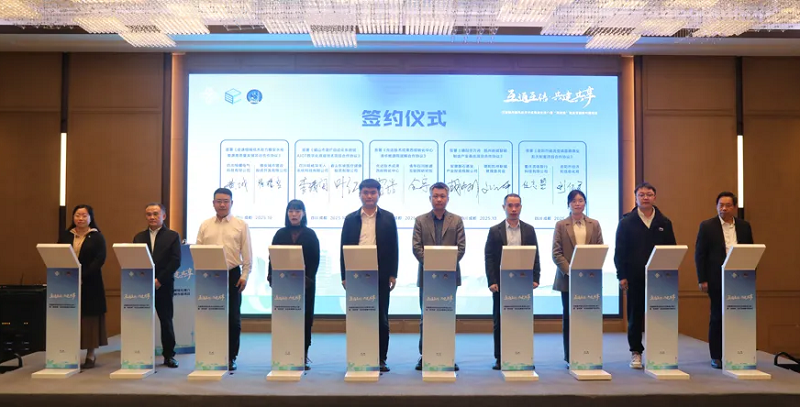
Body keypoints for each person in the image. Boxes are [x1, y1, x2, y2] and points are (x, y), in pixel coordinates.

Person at [614, 182, 676, 369]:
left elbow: (671, 250)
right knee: (635, 315)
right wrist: (622, 276)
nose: (645, 197)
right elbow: (620, 252)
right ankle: (636, 352)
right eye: (641, 195)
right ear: (636, 198)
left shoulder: (664, 222)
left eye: (649, 194)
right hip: (635, 277)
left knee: (660, 315)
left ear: (654, 197)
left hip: (660, 278)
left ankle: (660, 352)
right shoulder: (626, 222)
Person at [339, 179, 398, 373]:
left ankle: (381, 358)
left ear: (379, 194)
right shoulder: (350, 219)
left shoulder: (388, 218)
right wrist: (344, 275)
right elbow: (343, 247)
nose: (369, 196)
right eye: (365, 192)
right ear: (360, 194)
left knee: (381, 318)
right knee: (358, 316)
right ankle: (358, 355)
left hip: (381, 274)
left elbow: (394, 247)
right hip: (356, 274)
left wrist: (393, 274)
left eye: (373, 192)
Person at [195, 187, 252, 371]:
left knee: (233, 318)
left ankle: (231, 356)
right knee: (210, 317)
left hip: (233, 274)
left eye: (226, 201)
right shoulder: (205, 225)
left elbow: (247, 253)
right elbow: (197, 251)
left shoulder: (240, 225)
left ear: (231, 203)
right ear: (213, 203)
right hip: (209, 276)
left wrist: (245, 275)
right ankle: (211, 354)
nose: (222, 205)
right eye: (218, 201)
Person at [695, 191, 753, 369]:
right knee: (717, 316)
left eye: (728, 205)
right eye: (721, 205)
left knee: (739, 316)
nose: (724, 208)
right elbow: (700, 254)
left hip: (740, 278)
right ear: (716, 206)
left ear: (734, 207)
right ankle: (716, 356)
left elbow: (750, 250)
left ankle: (737, 353)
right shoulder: (707, 226)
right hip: (716, 278)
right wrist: (702, 279)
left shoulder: (744, 226)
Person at [412, 182, 466, 371]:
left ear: (447, 198)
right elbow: (416, 247)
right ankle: (425, 356)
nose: (439, 199)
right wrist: (433, 266)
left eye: (442, 196)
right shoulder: (420, 220)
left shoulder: (456, 221)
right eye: (435, 196)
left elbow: (461, 248)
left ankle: (447, 354)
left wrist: (445, 267)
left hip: (449, 277)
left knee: (446, 316)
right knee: (426, 316)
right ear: (430, 198)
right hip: (427, 277)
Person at [484, 193, 541, 370]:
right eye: (510, 206)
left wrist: (536, 277)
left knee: (522, 319)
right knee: (500, 320)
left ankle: (523, 355)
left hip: (523, 282)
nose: (514, 209)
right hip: (501, 284)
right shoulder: (495, 230)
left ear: (521, 207)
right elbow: (489, 257)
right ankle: (500, 357)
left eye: (517, 206)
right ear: (504, 207)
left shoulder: (529, 230)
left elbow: (535, 254)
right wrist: (492, 281)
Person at [552, 190, 604, 368]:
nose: (577, 204)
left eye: (581, 200)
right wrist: (571, 272)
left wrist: (589, 271)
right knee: (569, 318)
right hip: (568, 279)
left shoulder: (594, 224)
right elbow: (556, 253)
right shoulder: (561, 225)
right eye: (574, 201)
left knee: (588, 317)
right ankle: (570, 356)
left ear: (585, 203)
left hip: (589, 280)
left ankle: (589, 353)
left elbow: (599, 248)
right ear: (568, 204)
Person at [268, 199, 320, 371]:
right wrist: (271, 277)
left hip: (305, 286)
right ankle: (283, 353)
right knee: (285, 319)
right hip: (284, 286)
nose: (294, 214)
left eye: (297, 211)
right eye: (291, 211)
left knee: (305, 320)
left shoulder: (310, 234)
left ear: (303, 214)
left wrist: (308, 279)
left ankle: (302, 355)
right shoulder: (280, 234)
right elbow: (272, 257)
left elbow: (315, 260)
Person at [133, 203, 181, 368]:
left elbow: (175, 261)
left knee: (166, 321)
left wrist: (159, 280)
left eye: (155, 214)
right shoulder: (138, 237)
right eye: (149, 214)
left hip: (164, 285)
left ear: (164, 216)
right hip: (142, 286)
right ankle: (140, 353)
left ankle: (169, 355)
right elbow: (134, 260)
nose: (152, 217)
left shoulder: (172, 236)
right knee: (141, 320)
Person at [58, 204, 107, 369]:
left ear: (90, 218)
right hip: (67, 283)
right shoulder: (66, 235)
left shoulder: (97, 236)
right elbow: (58, 255)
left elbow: (100, 259)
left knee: (89, 318)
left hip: (90, 282)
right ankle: (67, 352)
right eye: (77, 215)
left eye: (84, 215)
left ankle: (90, 354)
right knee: (69, 317)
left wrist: (82, 275)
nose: (80, 218)